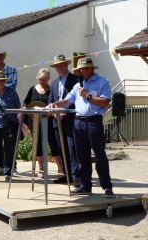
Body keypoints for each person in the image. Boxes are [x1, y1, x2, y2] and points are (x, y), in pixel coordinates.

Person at [47, 57, 115, 198]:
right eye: (78, 70)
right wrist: (55, 105)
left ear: (90, 69)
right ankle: (85, 186)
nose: (79, 72)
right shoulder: (78, 84)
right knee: (81, 156)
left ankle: (107, 187)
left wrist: (88, 95)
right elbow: (67, 100)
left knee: (99, 155)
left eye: (82, 69)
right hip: (78, 122)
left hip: (93, 122)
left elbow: (106, 102)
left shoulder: (103, 82)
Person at [23, 68, 64, 178]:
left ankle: (60, 168)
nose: (42, 82)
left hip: (49, 121)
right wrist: (24, 108)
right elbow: (26, 102)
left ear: (48, 79)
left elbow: (55, 104)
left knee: (53, 143)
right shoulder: (32, 89)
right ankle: (41, 169)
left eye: (45, 80)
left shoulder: (52, 90)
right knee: (37, 144)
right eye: (41, 79)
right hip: (34, 121)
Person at [48, 54, 80, 188]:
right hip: (57, 121)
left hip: (71, 120)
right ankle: (66, 175)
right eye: (57, 66)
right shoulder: (54, 82)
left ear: (67, 65)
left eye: (62, 65)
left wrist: (64, 112)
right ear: (55, 68)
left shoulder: (76, 79)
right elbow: (51, 100)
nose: (60, 67)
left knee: (72, 148)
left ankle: (76, 177)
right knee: (62, 149)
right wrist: (54, 111)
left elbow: (77, 100)